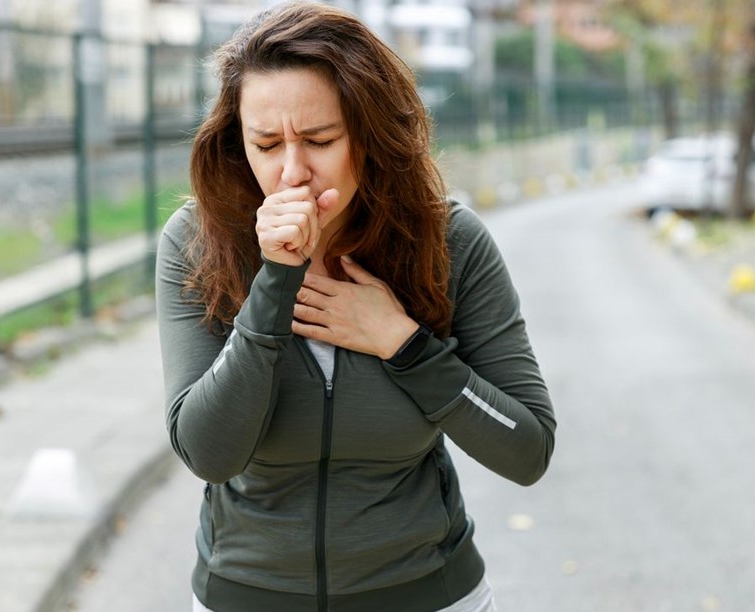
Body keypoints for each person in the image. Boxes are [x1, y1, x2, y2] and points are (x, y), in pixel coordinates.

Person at [156, 3, 556, 610]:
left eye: (319, 140)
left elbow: (528, 450)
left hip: (430, 594)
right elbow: (208, 452)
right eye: (265, 143)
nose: (292, 172)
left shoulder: (450, 242)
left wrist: (404, 344)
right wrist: (275, 283)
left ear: (370, 136)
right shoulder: (197, 243)